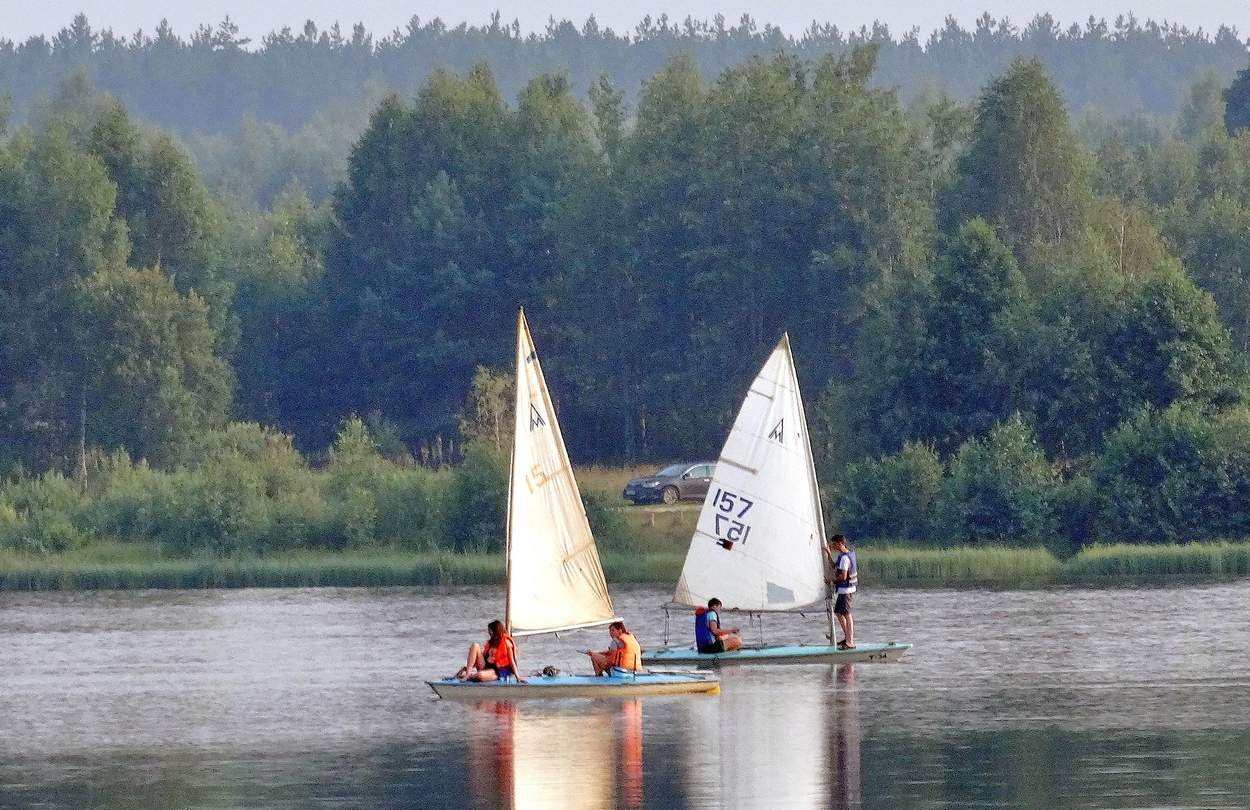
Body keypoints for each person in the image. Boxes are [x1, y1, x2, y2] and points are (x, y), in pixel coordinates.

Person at [456, 619, 526, 682]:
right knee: (475, 645)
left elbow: (512, 662)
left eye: (490, 631)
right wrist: (468, 667)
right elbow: (479, 657)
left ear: (496, 631)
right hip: (485, 666)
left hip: (497, 671)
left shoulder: (507, 643)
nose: (489, 633)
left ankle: (472, 675)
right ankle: (468, 674)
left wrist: (518, 677)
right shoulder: (490, 642)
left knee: (480, 675)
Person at [827, 534, 857, 649]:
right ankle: (847, 637)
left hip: (846, 590)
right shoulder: (842, 556)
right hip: (843, 590)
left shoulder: (845, 558)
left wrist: (831, 580)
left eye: (835, 544)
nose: (834, 546)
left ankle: (850, 642)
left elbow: (843, 577)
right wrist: (828, 554)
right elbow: (834, 566)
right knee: (838, 613)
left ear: (841, 544)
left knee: (847, 614)